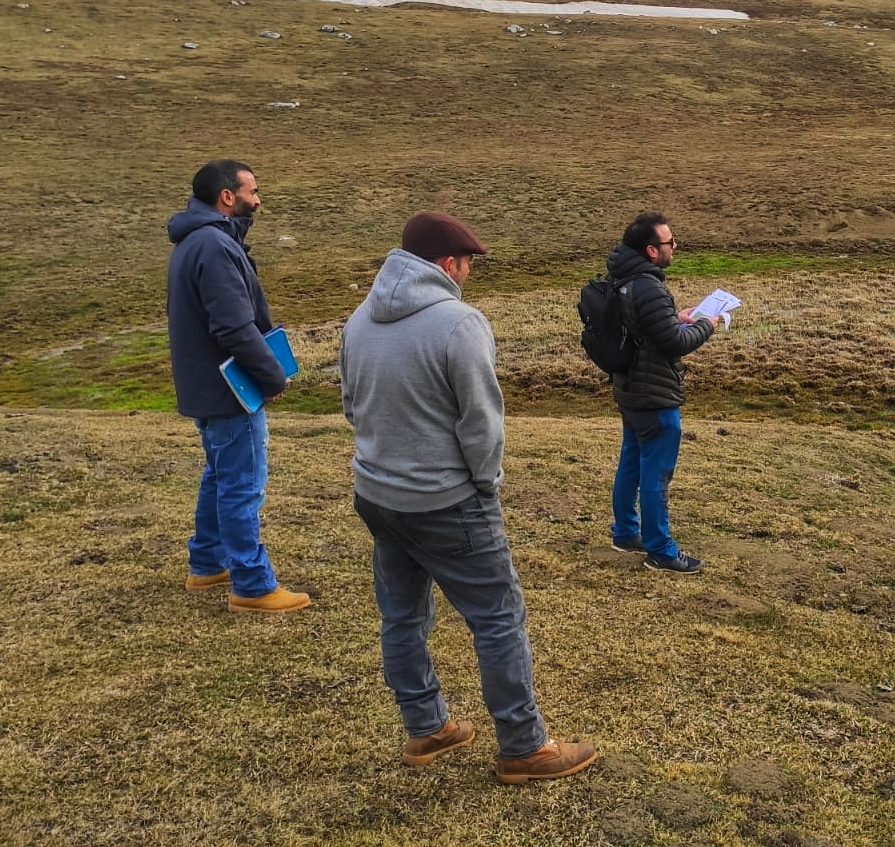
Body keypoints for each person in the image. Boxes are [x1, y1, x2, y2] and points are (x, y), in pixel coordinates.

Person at [340, 211, 597, 782]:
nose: (469, 275)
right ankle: (525, 746)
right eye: (468, 265)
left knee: (402, 616)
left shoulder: (358, 320)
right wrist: (485, 483)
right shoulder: (460, 323)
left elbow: (352, 406)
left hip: (377, 494)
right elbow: (481, 423)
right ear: (447, 264)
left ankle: (426, 728)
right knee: (498, 618)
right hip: (446, 500)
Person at [167, 158, 311, 613]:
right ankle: (252, 585)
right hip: (230, 391)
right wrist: (271, 375)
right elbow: (233, 327)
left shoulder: (196, 242)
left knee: (220, 476)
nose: (258, 198)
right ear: (227, 196)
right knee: (242, 485)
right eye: (253, 190)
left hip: (206, 387)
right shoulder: (214, 245)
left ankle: (207, 564)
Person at [604, 212, 719, 574]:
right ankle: (661, 550)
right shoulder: (649, 286)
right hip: (654, 394)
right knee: (657, 474)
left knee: (632, 461)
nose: (675, 247)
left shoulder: (622, 278)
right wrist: (705, 324)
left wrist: (676, 316)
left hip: (630, 388)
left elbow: (650, 328)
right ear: (652, 250)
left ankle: (625, 532)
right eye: (670, 242)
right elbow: (673, 343)